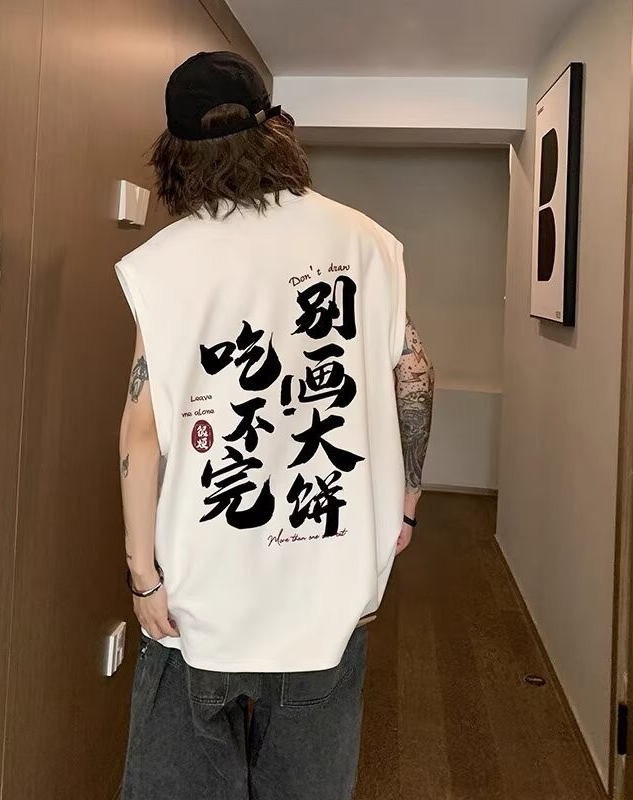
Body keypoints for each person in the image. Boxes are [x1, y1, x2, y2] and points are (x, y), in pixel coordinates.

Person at [116, 51, 434, 800]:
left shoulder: (162, 263)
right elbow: (414, 373)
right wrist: (407, 502)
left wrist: (142, 573)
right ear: (277, 130)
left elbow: (141, 430)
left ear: (175, 154)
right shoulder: (366, 242)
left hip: (201, 589)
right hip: (330, 584)